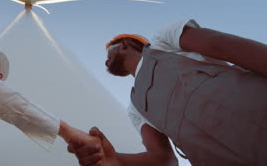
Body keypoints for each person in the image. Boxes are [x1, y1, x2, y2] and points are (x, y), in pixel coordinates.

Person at [69, 19, 267, 166]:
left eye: (108, 51)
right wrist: (113, 157)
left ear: (125, 44)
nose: (105, 59)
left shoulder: (162, 41)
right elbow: (164, 160)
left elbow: (225, 47)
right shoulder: (135, 109)